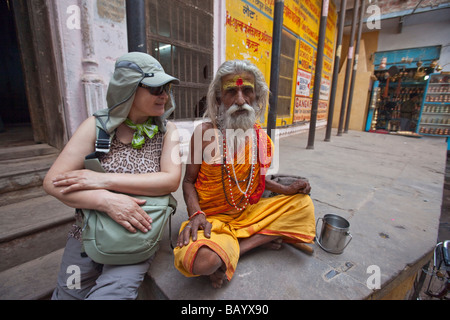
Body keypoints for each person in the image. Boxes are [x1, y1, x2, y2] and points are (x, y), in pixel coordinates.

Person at [43, 52, 181, 299]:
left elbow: (170, 180)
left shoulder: (168, 131)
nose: (164, 95)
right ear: (128, 89)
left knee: (112, 294)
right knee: (68, 291)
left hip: (137, 236)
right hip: (86, 233)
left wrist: (103, 180)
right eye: (155, 88)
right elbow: (53, 182)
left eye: (166, 88)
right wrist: (106, 201)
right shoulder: (96, 126)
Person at [173, 60, 315, 288]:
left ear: (256, 96)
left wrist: (288, 189)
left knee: (303, 205)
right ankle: (251, 241)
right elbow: (188, 182)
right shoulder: (204, 134)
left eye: (247, 90)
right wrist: (195, 214)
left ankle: (234, 249)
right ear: (219, 99)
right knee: (203, 261)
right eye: (231, 91)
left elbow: (256, 181)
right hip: (212, 220)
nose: (240, 100)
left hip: (246, 212)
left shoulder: (261, 139)